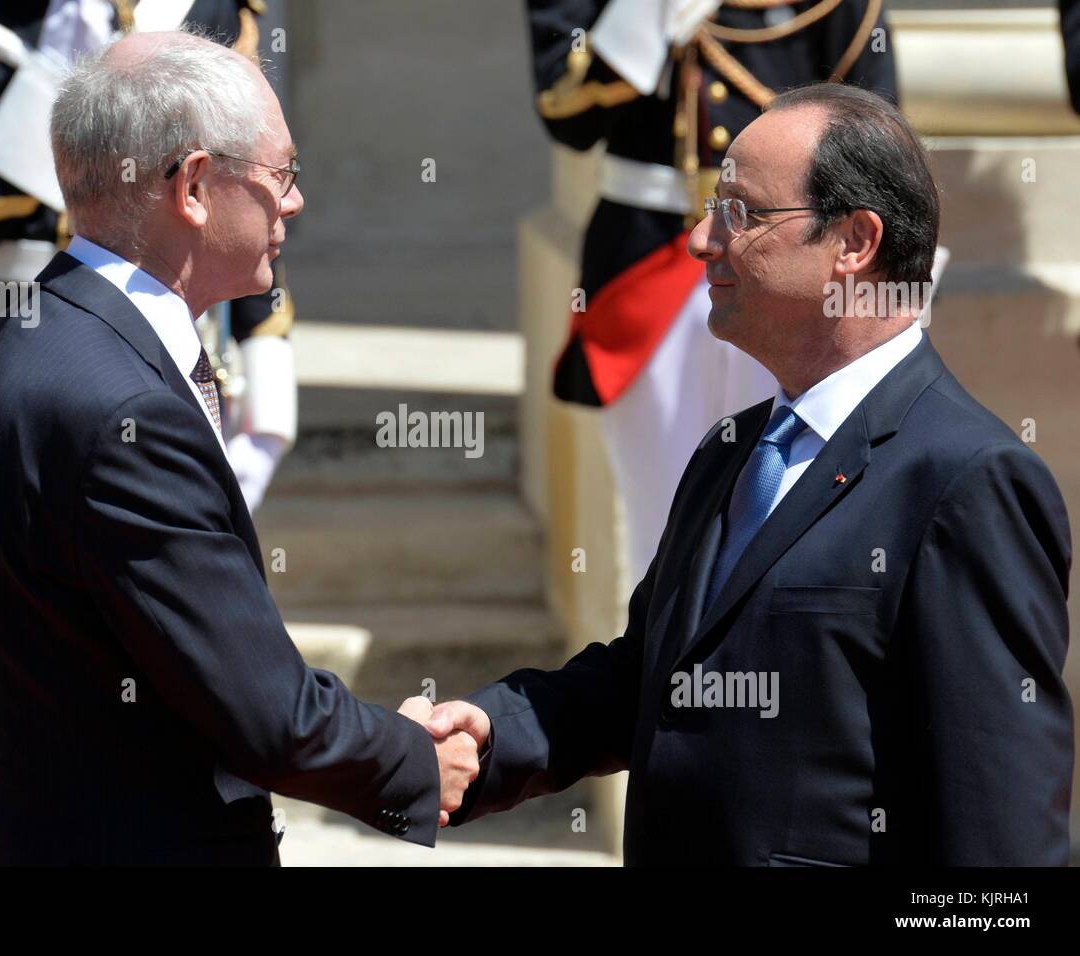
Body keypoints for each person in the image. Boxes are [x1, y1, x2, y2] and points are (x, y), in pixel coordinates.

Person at [428, 83, 1073, 866]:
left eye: (742, 213)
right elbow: (651, 679)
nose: (702, 240)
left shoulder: (967, 482)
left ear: (854, 242)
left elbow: (997, 840)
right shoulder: (734, 449)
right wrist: (493, 734)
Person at [0, 30, 478, 865]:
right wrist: (414, 760)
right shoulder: (125, 410)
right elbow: (267, 715)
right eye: (280, 174)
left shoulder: (13, 341)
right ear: (192, 185)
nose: (293, 202)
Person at [525, 0, 896, 578]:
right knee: (662, 523)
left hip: (799, 264)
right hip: (650, 259)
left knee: (800, 502)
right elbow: (566, 112)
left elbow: (874, 126)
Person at [0, 0, 295, 513]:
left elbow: (247, 201)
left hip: (171, 346)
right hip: (10, 338)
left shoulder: (208, 9)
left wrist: (271, 409)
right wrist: (54, 96)